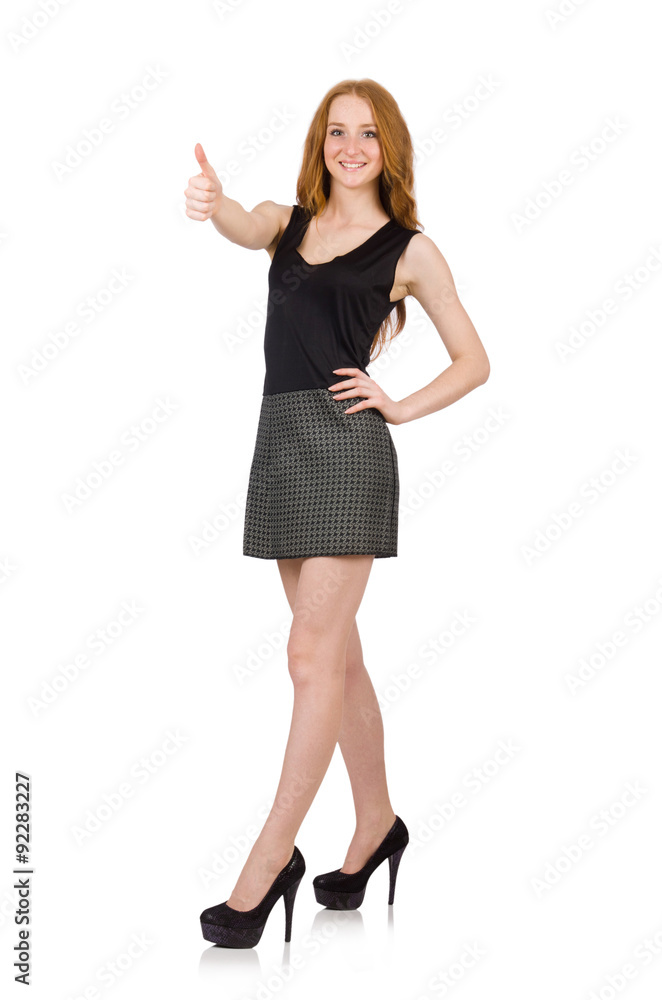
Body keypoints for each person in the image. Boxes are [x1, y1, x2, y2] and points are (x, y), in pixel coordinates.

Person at [185, 79, 490, 948]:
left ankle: (270, 859)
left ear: (389, 148)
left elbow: (474, 360)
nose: (350, 147)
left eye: (367, 134)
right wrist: (214, 203)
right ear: (320, 144)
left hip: (348, 454)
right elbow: (245, 222)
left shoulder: (410, 250)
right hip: (282, 447)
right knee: (338, 658)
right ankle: (377, 823)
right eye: (336, 132)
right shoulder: (289, 224)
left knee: (308, 656)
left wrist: (400, 406)